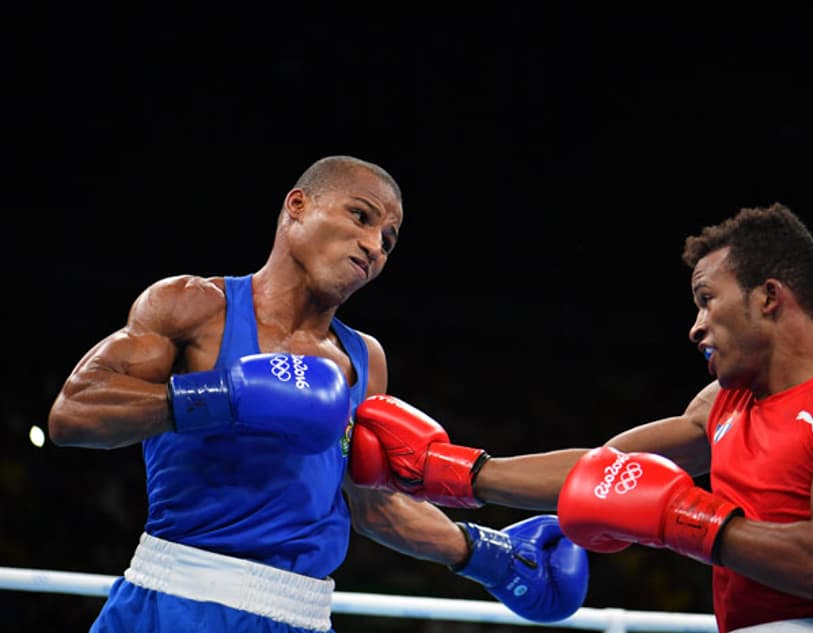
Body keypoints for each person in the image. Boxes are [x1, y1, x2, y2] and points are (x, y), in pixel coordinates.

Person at [47, 155, 589, 632]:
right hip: (178, 601)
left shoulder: (363, 360)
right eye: (361, 216)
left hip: (302, 615)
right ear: (299, 205)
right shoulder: (194, 306)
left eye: (389, 240)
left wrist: (486, 554)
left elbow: (371, 506)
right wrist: (227, 396)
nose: (375, 246)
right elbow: (73, 413)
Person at [349, 203, 813, 633]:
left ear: (769, 296)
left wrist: (680, 517)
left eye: (708, 299)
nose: (696, 325)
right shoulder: (720, 407)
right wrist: (445, 472)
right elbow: (599, 471)